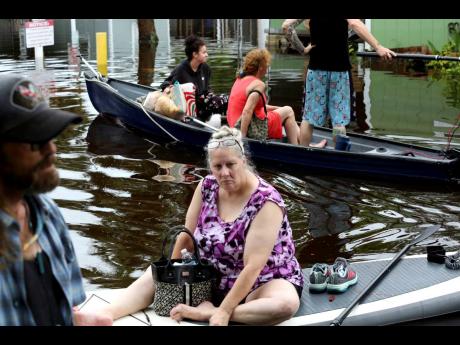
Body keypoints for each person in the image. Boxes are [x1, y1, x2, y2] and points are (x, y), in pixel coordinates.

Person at [74, 126, 303, 326]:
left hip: (261, 281)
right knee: (154, 273)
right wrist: (171, 278)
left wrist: (222, 312)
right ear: (210, 166)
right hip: (209, 276)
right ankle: (105, 314)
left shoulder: (266, 201)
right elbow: (186, 235)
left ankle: (211, 313)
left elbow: (253, 266)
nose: (224, 173)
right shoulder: (206, 186)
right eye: (217, 166)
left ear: (243, 161)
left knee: (285, 305)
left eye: (231, 164)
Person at [0, 74, 86, 325]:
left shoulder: (48, 215)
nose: (52, 150)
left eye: (50, 135)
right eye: (35, 141)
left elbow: (68, 311)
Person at [282, 18, 396, 147]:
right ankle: (338, 155)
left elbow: (286, 26)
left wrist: (301, 49)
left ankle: (303, 153)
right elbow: (355, 24)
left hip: (316, 70)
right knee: (338, 120)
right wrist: (377, 47)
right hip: (339, 71)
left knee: (309, 118)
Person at [227, 48, 318, 146]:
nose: (267, 68)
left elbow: (256, 108)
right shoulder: (258, 84)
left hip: (234, 124)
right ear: (261, 67)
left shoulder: (240, 79)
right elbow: (247, 111)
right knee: (289, 110)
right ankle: (299, 149)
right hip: (248, 128)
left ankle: (302, 144)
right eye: (267, 65)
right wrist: (242, 139)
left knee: (287, 112)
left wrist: (278, 109)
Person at [160, 35, 227, 122]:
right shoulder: (181, 69)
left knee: (224, 99)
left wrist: (212, 95)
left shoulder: (205, 68)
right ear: (194, 54)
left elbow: (207, 89)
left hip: (203, 103)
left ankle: (221, 121)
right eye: (204, 52)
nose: (207, 55)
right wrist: (168, 88)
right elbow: (165, 84)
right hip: (189, 108)